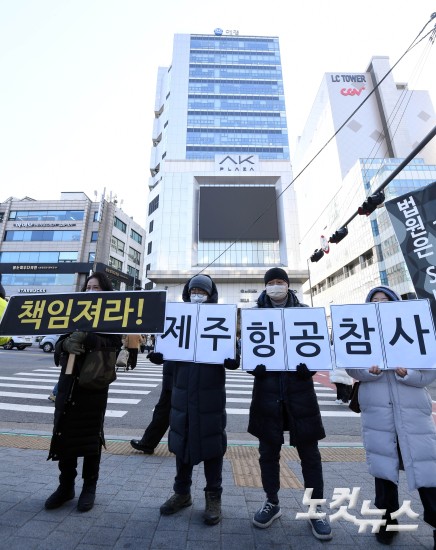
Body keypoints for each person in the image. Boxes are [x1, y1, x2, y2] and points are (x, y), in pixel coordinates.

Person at [346, 285, 436, 546]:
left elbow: (429, 374)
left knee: (427, 468)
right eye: (374, 300)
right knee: (384, 469)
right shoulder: (361, 332)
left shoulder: (413, 330)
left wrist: (407, 374)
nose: (380, 304)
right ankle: (387, 521)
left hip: (413, 413)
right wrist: (370, 372)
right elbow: (352, 368)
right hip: (377, 413)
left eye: (386, 300)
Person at [148, 274, 239, 525]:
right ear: (187, 293)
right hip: (182, 393)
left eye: (203, 291)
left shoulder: (222, 320)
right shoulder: (176, 319)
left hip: (210, 396)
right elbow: (168, 349)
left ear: (211, 295)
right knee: (182, 443)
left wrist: (233, 358)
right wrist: (160, 355)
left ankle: (213, 497)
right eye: (194, 290)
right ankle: (181, 493)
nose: (198, 294)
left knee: (212, 446)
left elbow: (233, 353)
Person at [248, 267, 332, 540]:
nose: (275, 286)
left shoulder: (305, 313)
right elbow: (245, 351)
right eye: (270, 282)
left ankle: (316, 509)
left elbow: (320, 349)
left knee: (310, 455)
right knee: (268, 453)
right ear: (265, 287)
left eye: (279, 282)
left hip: (300, 393)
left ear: (287, 285)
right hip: (267, 393)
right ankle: (272, 502)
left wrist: (311, 367)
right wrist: (253, 368)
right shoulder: (254, 315)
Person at [44, 272, 122, 513]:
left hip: (94, 386)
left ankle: (90, 487)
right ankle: (65, 486)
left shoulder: (113, 317)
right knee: (64, 434)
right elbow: (58, 348)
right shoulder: (71, 313)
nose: (91, 291)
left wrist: (89, 338)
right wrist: (64, 344)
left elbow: (114, 346)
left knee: (90, 437)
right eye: (88, 287)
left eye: (96, 287)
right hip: (68, 385)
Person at [130, 359, 173, 454]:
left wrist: (159, 355)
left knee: (163, 410)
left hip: (175, 373)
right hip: (180, 372)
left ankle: (148, 442)